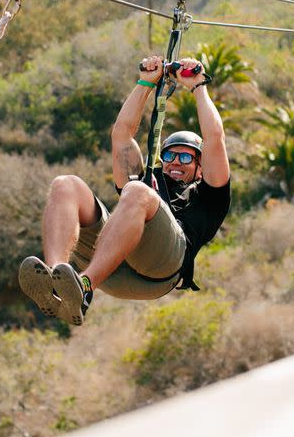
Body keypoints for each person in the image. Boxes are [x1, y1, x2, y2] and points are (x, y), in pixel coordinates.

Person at [19, 54, 231, 325]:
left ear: (201, 168)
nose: (176, 162)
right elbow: (122, 134)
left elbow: (215, 138)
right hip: (113, 265)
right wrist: (145, 82)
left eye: (187, 157)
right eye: (169, 156)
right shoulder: (148, 181)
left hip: (161, 269)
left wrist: (199, 86)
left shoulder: (210, 195)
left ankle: (84, 289)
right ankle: (56, 282)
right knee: (65, 185)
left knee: (136, 191)